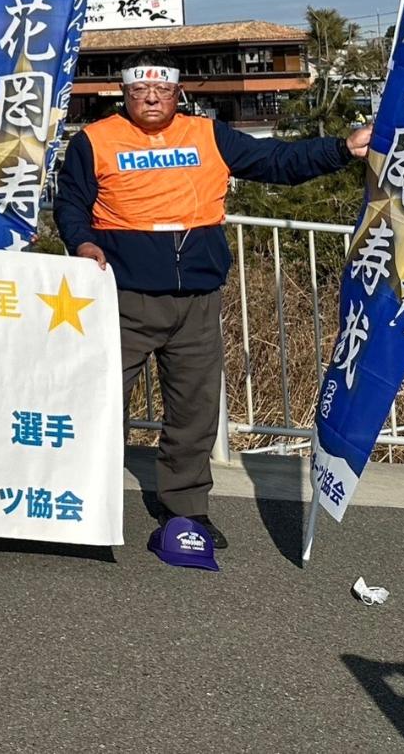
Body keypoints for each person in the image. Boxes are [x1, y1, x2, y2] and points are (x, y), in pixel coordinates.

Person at [54, 50, 368, 550]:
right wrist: (83, 242)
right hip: (123, 296)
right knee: (102, 405)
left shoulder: (207, 135)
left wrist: (340, 148)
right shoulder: (95, 140)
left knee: (194, 413)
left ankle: (186, 511)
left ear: (178, 92)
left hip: (197, 299)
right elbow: (70, 203)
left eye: (161, 89)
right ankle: (87, 505)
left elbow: (275, 161)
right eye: (139, 90)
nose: (150, 98)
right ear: (124, 92)